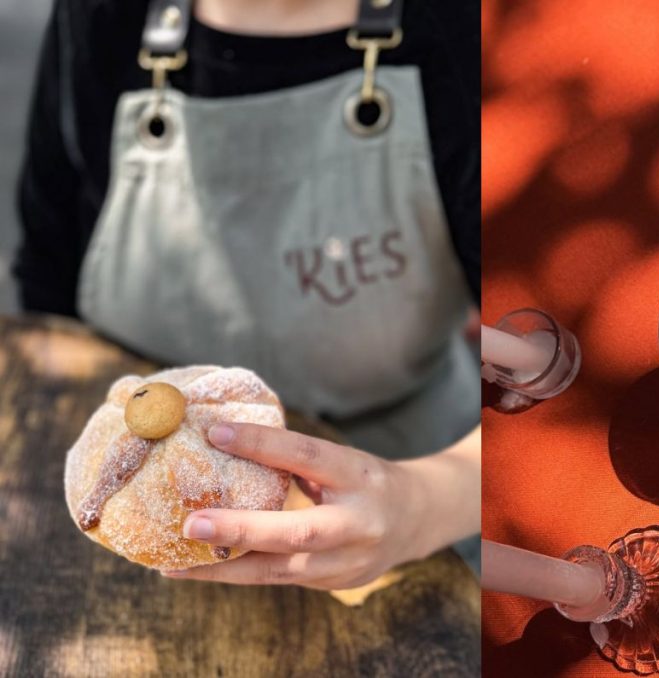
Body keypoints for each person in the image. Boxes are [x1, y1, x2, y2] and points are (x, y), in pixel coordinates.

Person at [16, 0, 481, 585]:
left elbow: (555, 373)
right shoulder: (99, 17)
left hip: (414, 477)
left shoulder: (465, 29)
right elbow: (48, 278)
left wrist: (422, 504)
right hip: (141, 508)